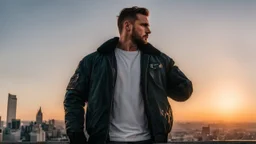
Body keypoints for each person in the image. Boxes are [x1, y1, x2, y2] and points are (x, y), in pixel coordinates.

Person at [64, 6, 193, 144]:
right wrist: (76, 135)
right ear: (127, 26)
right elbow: (73, 97)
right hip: (105, 140)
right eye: (144, 25)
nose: (149, 30)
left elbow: (184, 91)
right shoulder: (93, 61)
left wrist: (162, 68)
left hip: (149, 140)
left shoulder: (159, 60)